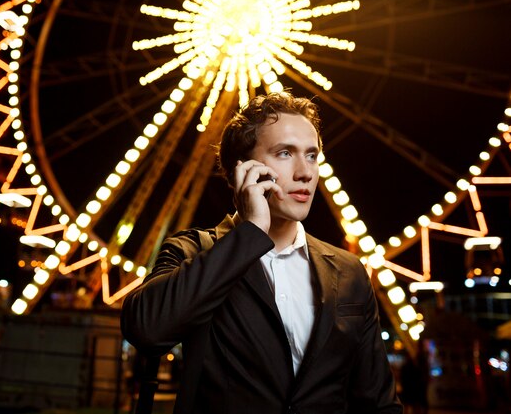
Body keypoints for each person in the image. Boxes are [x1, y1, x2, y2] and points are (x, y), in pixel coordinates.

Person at [121, 90, 403, 414]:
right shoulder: (193, 251)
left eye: (312, 156)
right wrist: (250, 233)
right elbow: (147, 329)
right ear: (242, 169)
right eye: (285, 153)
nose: (305, 172)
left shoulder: (349, 270)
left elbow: (378, 403)